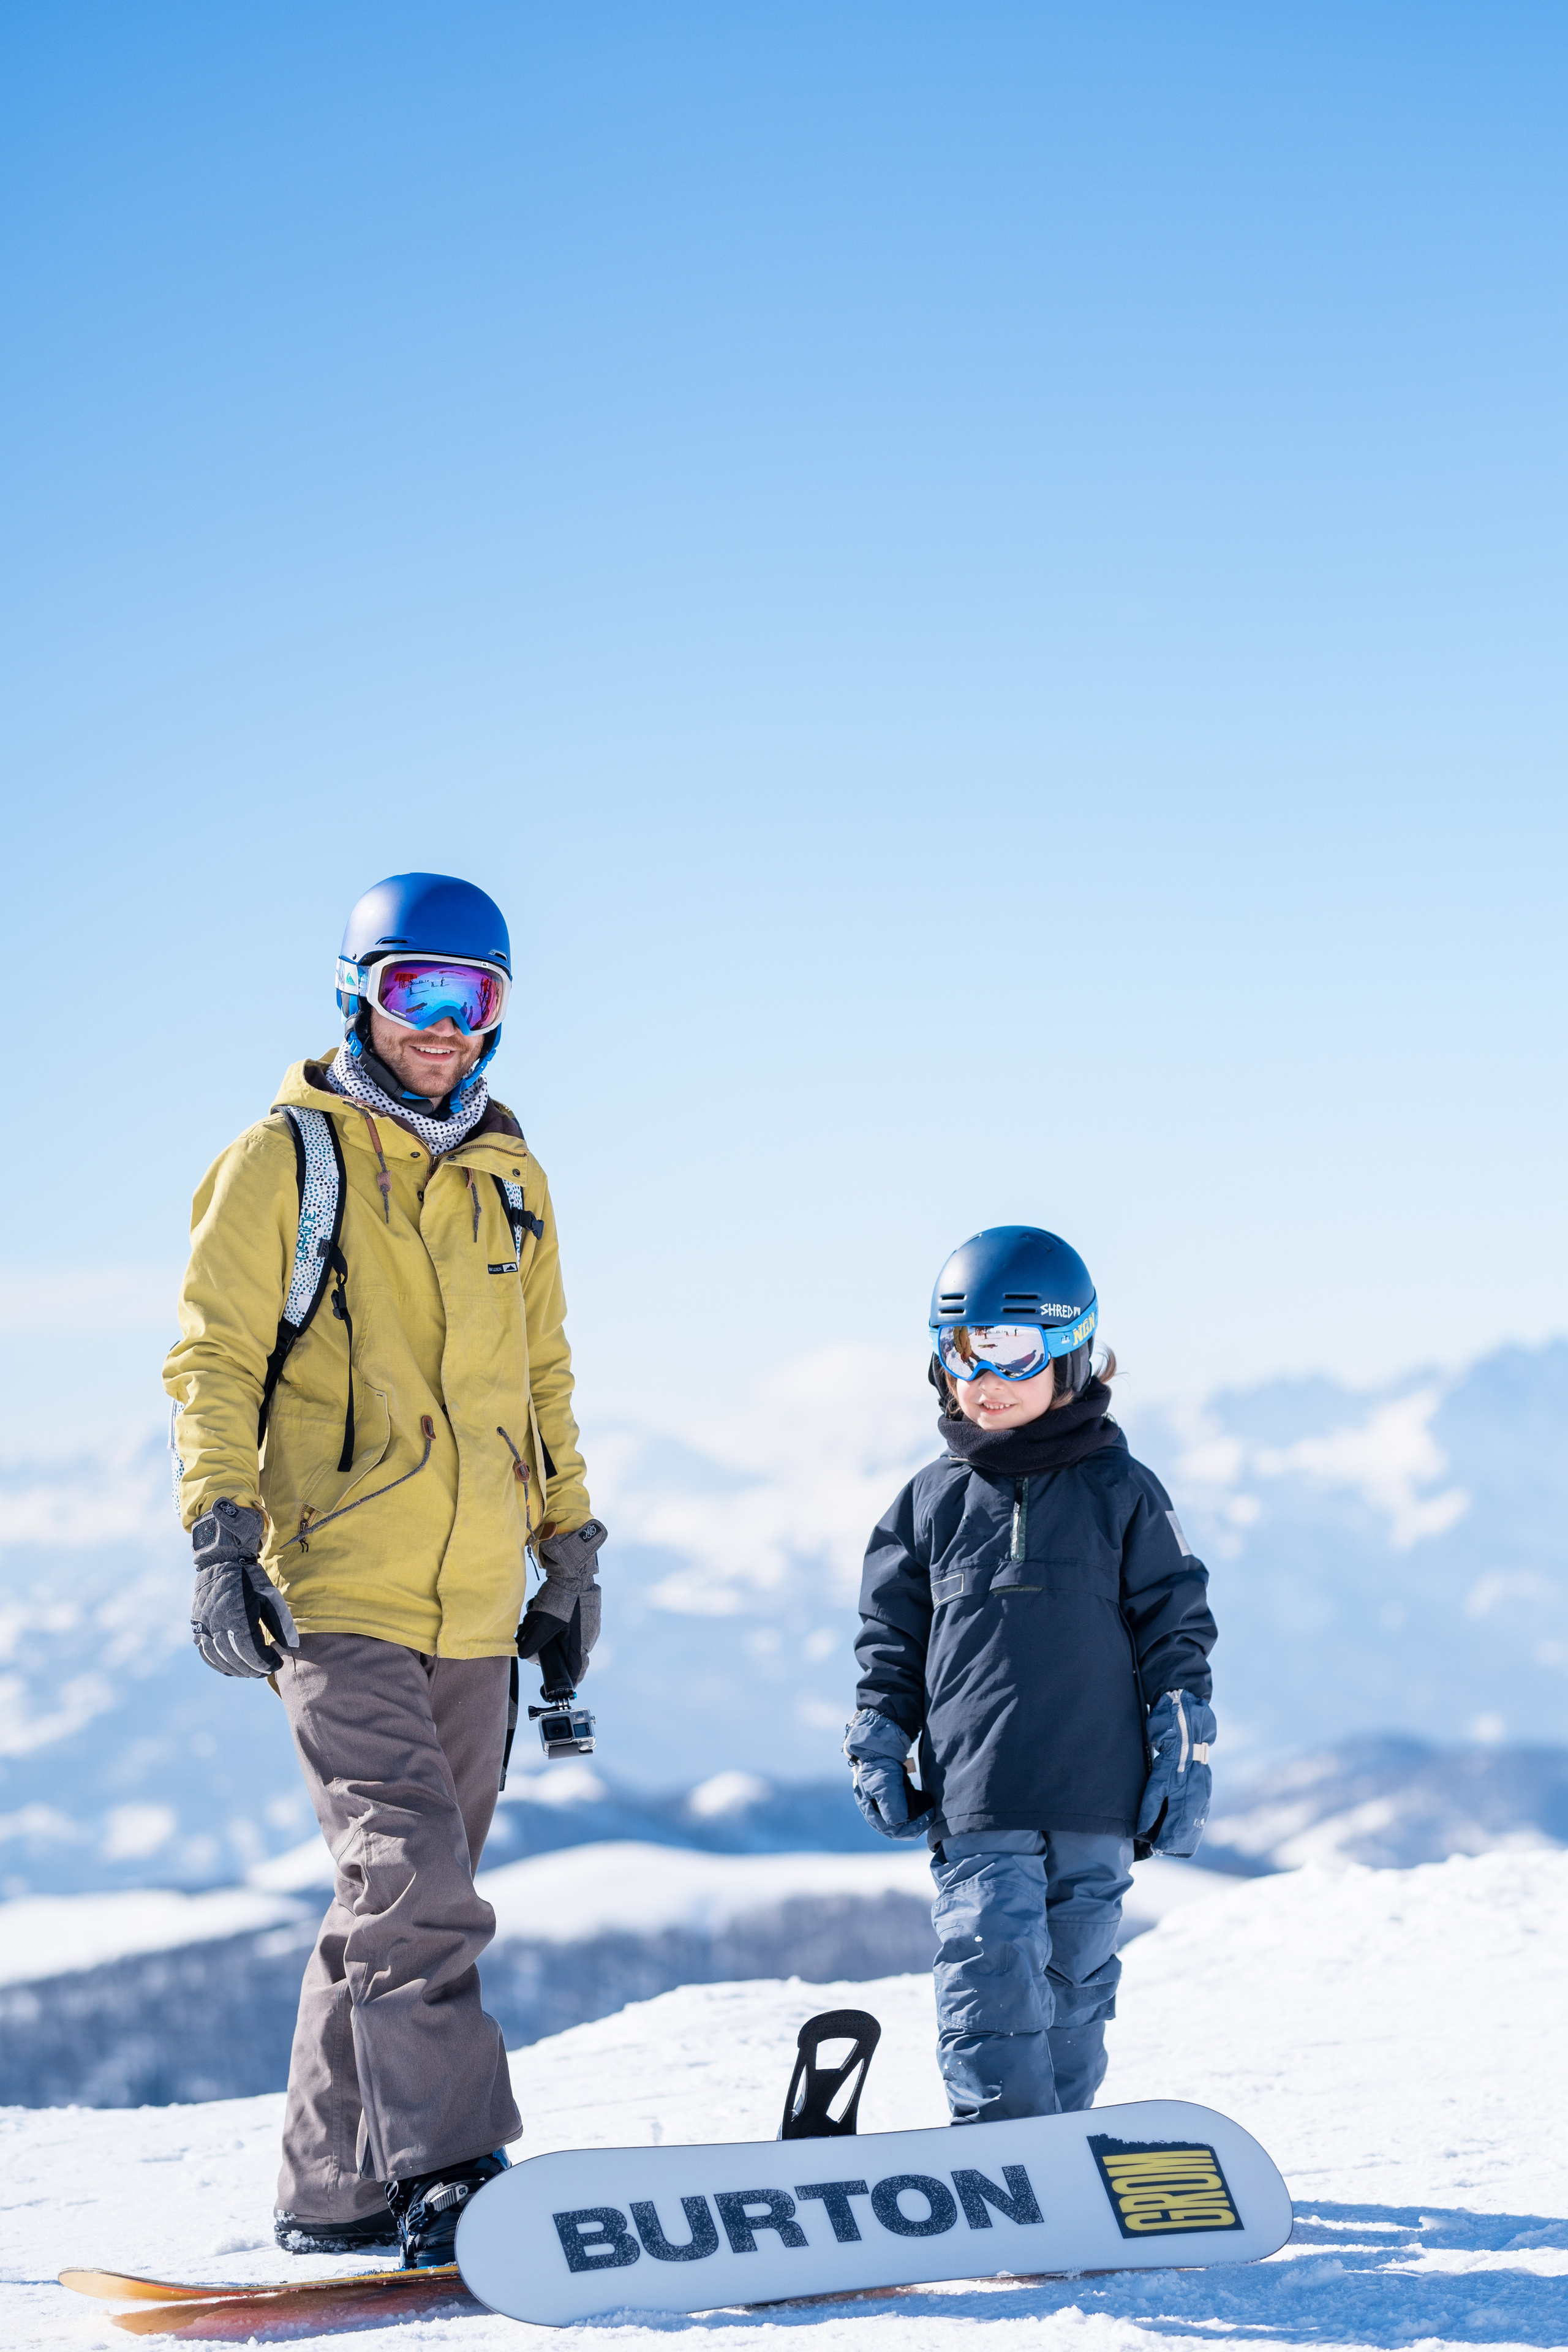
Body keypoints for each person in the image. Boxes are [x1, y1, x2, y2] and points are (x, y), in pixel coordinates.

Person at [164, 872, 607, 2266]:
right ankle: (452, 2167)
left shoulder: (511, 1177)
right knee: (411, 1884)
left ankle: (333, 2189)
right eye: (415, 990)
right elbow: (213, 1357)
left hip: (477, 1599)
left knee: (388, 1898)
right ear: (356, 989)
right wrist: (219, 1531)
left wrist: (570, 1549)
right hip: (336, 1589)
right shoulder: (283, 1159)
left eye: (472, 998)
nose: (443, 1024)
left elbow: (542, 1376)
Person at [844, 1225, 1216, 2125]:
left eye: (1008, 1350)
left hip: (1098, 1789)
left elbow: (1177, 1629)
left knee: (1078, 1982)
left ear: (1071, 1352)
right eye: (961, 1351)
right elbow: (888, 1641)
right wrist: (879, 1740)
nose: (983, 1378)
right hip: (981, 1791)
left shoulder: (1123, 1492)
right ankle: (998, 2149)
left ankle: (1059, 2158)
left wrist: (1185, 1749)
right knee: (987, 1962)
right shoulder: (928, 1504)